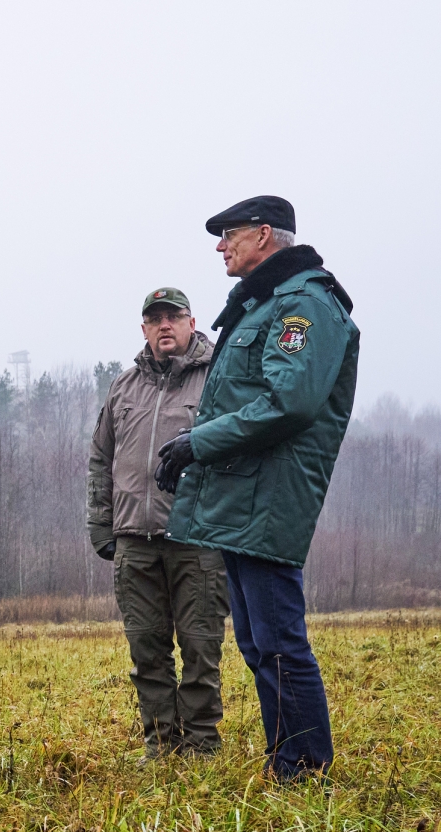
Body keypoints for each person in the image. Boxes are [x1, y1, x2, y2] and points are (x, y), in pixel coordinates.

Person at [158, 195, 358, 781]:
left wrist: (200, 441)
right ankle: (286, 758)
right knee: (256, 639)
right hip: (243, 497)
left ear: (264, 235)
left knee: (276, 640)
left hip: (268, 498)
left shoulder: (305, 307)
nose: (221, 247)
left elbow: (288, 402)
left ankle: (304, 768)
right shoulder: (263, 305)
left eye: (229, 235)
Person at [88, 287, 228, 760]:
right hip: (134, 541)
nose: (164, 325)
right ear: (144, 329)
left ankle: (202, 746)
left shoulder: (218, 378)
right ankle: (161, 747)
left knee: (200, 649)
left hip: (198, 539)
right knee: (146, 651)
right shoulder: (123, 387)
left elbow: (237, 449)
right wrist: (100, 524)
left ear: (191, 322)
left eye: (174, 316)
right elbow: (100, 457)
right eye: (155, 319)